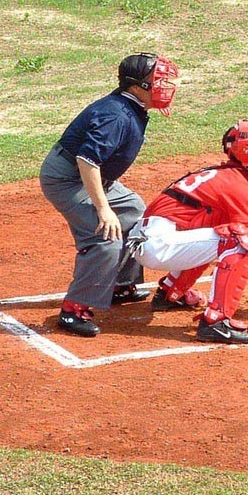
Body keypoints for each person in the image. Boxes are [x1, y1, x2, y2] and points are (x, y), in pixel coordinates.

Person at [126, 119, 248, 345]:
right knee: (237, 241)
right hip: (159, 245)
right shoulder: (237, 185)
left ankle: (171, 293)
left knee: (216, 233)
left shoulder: (225, 175)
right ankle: (216, 321)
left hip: (152, 238)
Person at [40, 53, 180, 337]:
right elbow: (87, 161)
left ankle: (119, 284)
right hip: (67, 179)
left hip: (94, 178)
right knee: (106, 235)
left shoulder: (131, 106)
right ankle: (74, 309)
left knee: (133, 211)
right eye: (157, 80)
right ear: (137, 86)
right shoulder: (115, 114)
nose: (164, 86)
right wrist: (103, 209)